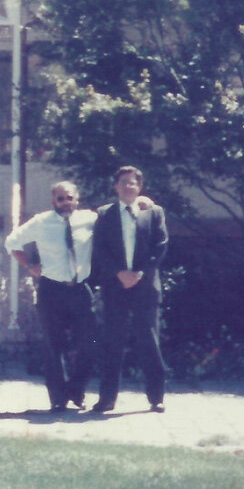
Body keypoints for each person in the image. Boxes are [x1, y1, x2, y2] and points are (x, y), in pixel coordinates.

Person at [4, 181, 98, 413]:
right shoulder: (41, 222)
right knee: (53, 345)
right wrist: (30, 265)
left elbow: (115, 219)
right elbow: (11, 243)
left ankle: (76, 391)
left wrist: (144, 203)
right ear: (53, 200)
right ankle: (58, 398)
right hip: (51, 290)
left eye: (69, 198)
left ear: (77, 199)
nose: (65, 203)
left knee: (89, 343)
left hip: (80, 289)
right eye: (60, 199)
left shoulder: (90, 219)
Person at [90, 165, 170, 414]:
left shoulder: (153, 212)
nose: (128, 186)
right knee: (112, 342)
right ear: (116, 186)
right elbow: (100, 249)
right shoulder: (105, 214)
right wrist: (119, 273)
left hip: (145, 287)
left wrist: (140, 274)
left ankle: (156, 397)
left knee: (149, 340)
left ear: (139, 187)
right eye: (123, 182)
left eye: (132, 182)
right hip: (116, 286)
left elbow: (161, 246)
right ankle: (106, 399)